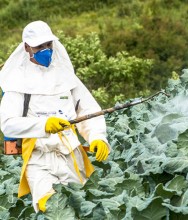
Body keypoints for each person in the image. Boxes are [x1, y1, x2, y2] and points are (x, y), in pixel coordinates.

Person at [0, 20, 110, 213]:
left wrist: (97, 137)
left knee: (81, 209)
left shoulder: (65, 76)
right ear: (27, 47)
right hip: (38, 157)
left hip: (71, 155)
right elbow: (8, 125)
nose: (46, 50)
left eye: (48, 45)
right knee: (50, 209)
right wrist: (44, 125)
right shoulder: (16, 82)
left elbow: (88, 110)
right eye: (39, 46)